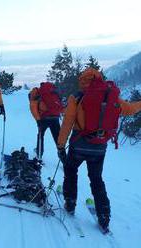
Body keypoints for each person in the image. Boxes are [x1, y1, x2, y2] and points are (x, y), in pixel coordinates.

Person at [57, 67, 141, 232]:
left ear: (82, 80)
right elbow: (130, 110)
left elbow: (67, 123)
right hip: (99, 147)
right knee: (96, 179)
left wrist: (61, 145)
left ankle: (70, 202)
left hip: (78, 144)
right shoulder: (110, 96)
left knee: (71, 170)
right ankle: (104, 215)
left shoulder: (77, 97)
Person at [29, 82, 63, 160]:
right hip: (55, 118)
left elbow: (33, 107)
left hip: (44, 118)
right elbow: (60, 106)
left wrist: (38, 120)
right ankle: (63, 158)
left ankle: (39, 155)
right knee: (58, 138)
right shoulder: (54, 92)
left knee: (41, 135)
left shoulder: (38, 92)